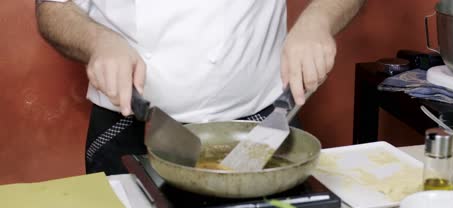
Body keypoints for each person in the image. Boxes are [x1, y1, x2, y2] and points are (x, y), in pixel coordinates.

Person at [36, 0, 365, 175]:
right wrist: (98, 42)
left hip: (262, 123)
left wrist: (317, 21)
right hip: (129, 125)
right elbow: (53, 7)